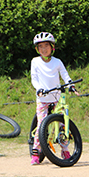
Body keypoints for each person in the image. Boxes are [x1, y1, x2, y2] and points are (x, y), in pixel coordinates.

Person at [30, 32, 79, 165]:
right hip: (43, 98)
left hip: (57, 97)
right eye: (40, 46)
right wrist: (39, 89)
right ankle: (35, 152)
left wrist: (71, 85)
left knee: (63, 124)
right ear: (37, 49)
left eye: (47, 45)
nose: (44, 48)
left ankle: (65, 150)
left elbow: (65, 75)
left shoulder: (57, 62)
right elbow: (34, 79)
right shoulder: (35, 61)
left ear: (52, 47)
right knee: (41, 125)